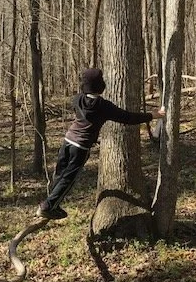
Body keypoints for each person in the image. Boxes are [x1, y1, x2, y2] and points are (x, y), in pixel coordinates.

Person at [36, 68, 165, 220]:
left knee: (60, 173)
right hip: (81, 146)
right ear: (100, 86)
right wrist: (153, 115)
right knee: (68, 178)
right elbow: (128, 118)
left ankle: (51, 202)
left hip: (68, 141)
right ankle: (48, 206)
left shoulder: (77, 99)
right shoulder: (103, 106)